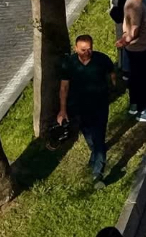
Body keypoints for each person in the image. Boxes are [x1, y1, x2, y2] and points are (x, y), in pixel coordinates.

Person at [58, 35, 116, 185]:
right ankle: (95, 152)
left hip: (99, 106)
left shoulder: (101, 59)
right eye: (83, 50)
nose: (86, 52)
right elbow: (64, 87)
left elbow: (112, 73)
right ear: (76, 48)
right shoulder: (69, 63)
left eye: (89, 49)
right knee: (88, 135)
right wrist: (62, 110)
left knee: (99, 136)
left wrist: (112, 87)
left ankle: (98, 172)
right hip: (78, 107)